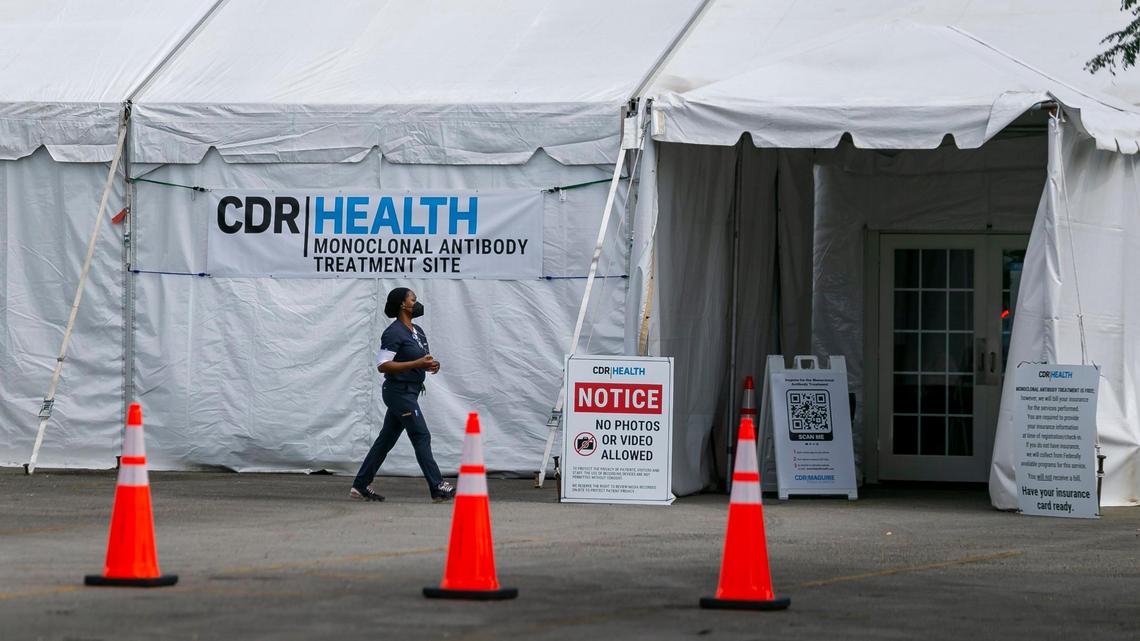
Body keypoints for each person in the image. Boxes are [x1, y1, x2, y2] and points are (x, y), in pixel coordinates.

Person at [350, 287, 456, 503]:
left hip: (410, 391)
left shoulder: (416, 330)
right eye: (413, 299)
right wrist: (416, 364)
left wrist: (429, 365)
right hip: (399, 393)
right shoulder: (393, 332)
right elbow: (383, 365)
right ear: (402, 304)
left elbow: (420, 358)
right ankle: (437, 487)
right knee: (421, 435)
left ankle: (360, 485)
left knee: (385, 440)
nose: (416, 303)